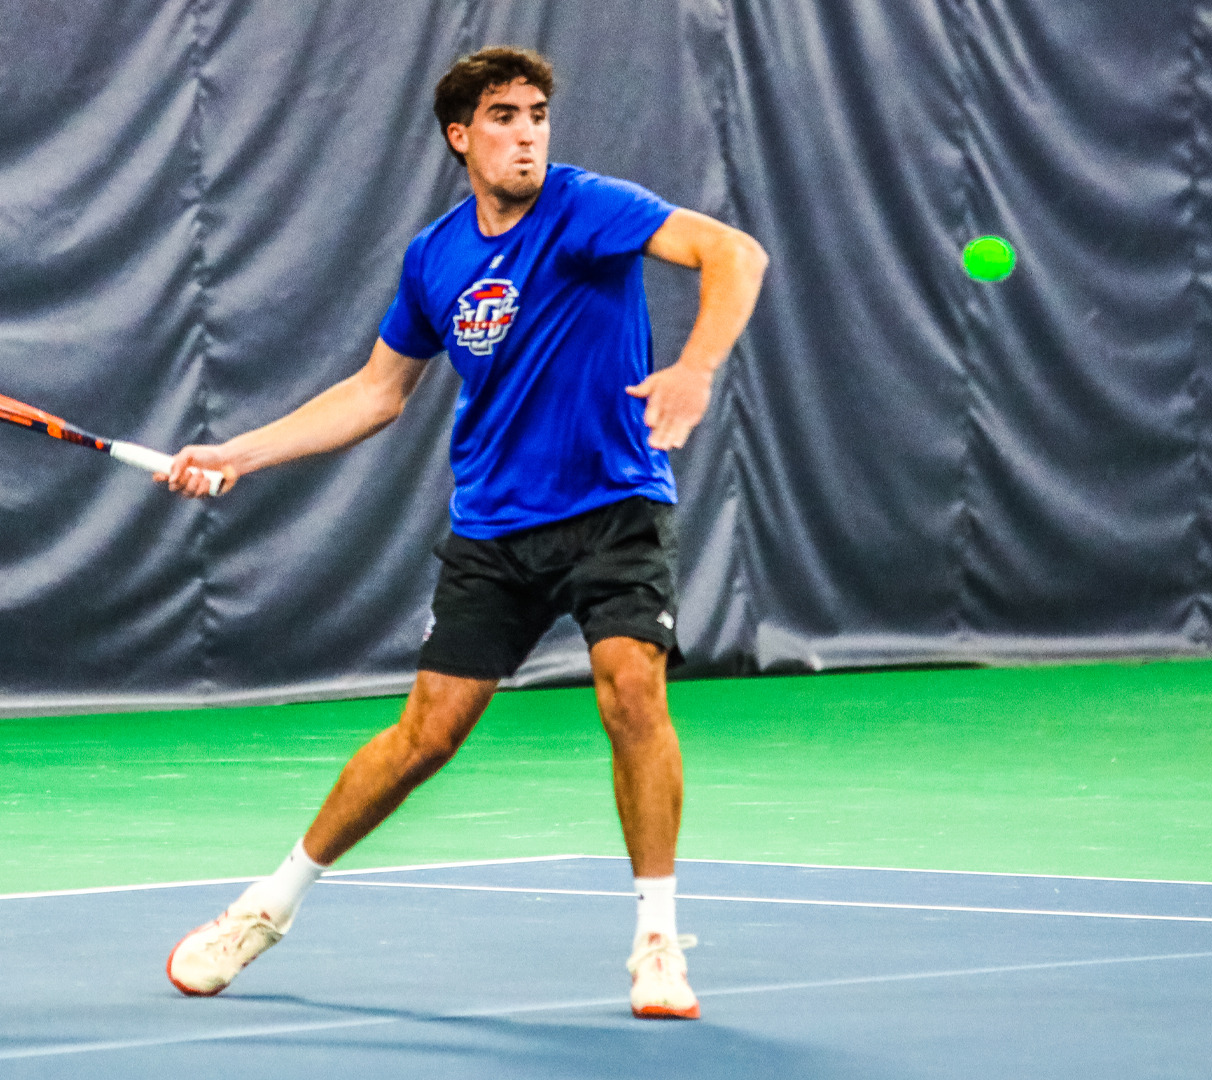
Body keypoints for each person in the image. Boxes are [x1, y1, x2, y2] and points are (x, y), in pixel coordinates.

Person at [157, 46, 766, 1020]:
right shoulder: (435, 255)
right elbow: (373, 392)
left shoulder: (588, 207)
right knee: (426, 736)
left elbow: (736, 252)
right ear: (462, 136)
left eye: (536, 115)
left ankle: (657, 939)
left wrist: (697, 364)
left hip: (613, 506)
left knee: (631, 689)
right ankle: (266, 908)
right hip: (494, 527)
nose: (527, 133)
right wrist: (242, 453)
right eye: (504, 118)